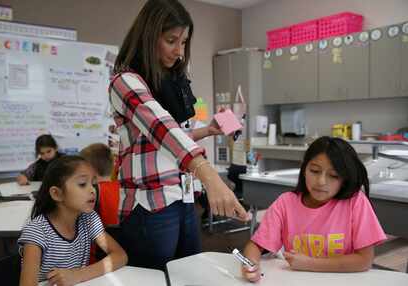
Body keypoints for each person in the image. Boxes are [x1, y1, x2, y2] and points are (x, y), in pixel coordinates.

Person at [109, 0, 248, 270]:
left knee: (188, 271)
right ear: (149, 37)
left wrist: (207, 131)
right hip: (150, 204)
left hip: (182, 196)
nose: (179, 51)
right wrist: (209, 176)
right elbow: (162, 129)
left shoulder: (170, 81)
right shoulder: (125, 81)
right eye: (172, 40)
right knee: (155, 277)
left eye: (183, 42)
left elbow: (168, 140)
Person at [241, 136, 387, 282]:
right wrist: (250, 264)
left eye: (334, 175)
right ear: (304, 169)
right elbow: (256, 245)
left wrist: (311, 264)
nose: (321, 182)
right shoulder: (285, 203)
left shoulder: (355, 202)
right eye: (315, 171)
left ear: (345, 179)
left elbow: (364, 260)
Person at [18, 156, 128, 286]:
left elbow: (120, 256)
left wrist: (78, 275)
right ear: (57, 194)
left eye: (93, 183)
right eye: (82, 184)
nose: (93, 190)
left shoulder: (89, 219)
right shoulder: (37, 232)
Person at [80, 143, 121, 263]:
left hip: (95, 258)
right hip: (119, 253)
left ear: (90, 170)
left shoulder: (91, 192)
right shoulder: (122, 188)